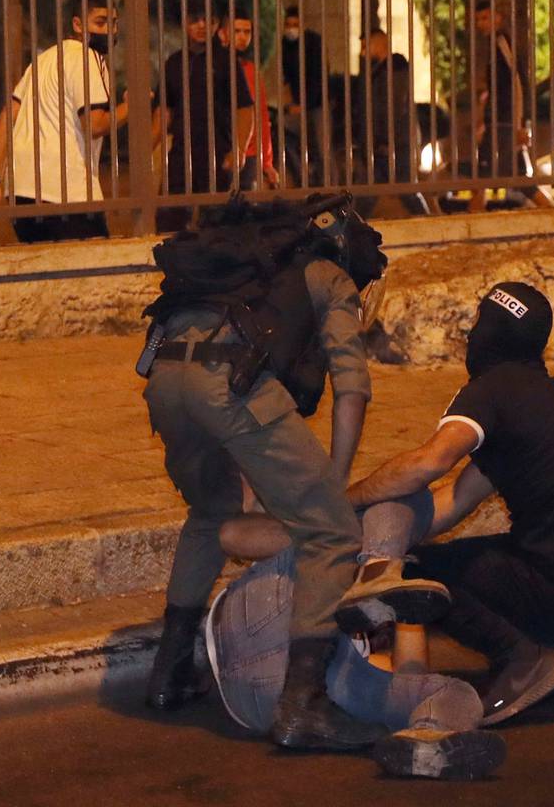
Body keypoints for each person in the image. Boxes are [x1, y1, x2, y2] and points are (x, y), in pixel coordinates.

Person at [139, 195, 402, 751]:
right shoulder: (329, 276)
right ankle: (302, 707)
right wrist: (331, 486)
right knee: (332, 534)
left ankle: (168, 675)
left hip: (166, 385)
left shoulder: (249, 266)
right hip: (233, 389)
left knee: (210, 515)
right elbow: (351, 390)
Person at [348, 282, 554, 723]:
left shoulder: (491, 390)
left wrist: (348, 501)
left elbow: (429, 463)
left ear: (488, 334)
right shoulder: (541, 398)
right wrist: (380, 541)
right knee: (470, 553)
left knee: (420, 576)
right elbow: (453, 500)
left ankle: (521, 659)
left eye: (478, 324)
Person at [203, 502, 505, 780]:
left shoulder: (358, 647)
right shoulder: (335, 558)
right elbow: (233, 535)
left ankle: (427, 737)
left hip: (257, 695)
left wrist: (406, 613)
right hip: (275, 651)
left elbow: (408, 678)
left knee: (455, 691)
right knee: (397, 502)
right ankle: (380, 570)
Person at [0, 0, 130, 243]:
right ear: (77, 24)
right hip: (67, 191)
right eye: (100, 22)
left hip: (23, 193)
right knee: (98, 271)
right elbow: (94, 125)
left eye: (114, 23)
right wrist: (133, 107)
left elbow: (9, 114)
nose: (109, 30)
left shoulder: (44, 60)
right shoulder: (88, 57)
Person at [153, 2, 254, 231]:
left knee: (218, 227)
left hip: (218, 154)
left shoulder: (226, 61)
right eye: (194, 19)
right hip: (181, 153)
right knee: (169, 222)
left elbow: (245, 108)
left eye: (207, 19)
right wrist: (144, 150)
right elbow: (164, 113)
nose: (200, 25)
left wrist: (238, 149)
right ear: (184, 23)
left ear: (216, 24)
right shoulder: (174, 63)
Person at [469, 0, 552, 212]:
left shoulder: (502, 43)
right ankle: (473, 219)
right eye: (478, 19)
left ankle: (552, 209)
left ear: (499, 18)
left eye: (486, 18)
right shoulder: (493, 45)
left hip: (505, 121)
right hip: (497, 120)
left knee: (502, 172)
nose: (481, 23)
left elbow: (517, 83)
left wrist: (519, 124)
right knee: (489, 171)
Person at [352, 29, 427, 217]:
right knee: (371, 190)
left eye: (365, 46)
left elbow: (393, 105)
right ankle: (352, 227)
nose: (362, 53)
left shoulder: (395, 66)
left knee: (404, 187)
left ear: (378, 44)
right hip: (386, 141)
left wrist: (385, 138)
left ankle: (427, 221)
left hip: (396, 141)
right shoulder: (382, 69)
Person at [217, 12, 276, 190]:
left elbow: (262, 117)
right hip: (222, 150)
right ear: (222, 33)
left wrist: (267, 162)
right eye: (237, 31)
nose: (243, 37)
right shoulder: (214, 68)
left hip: (249, 154)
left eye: (247, 32)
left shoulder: (251, 71)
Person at [280, 6, 328, 182]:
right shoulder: (286, 43)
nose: (291, 28)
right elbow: (287, 76)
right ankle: (304, 181)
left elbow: (319, 76)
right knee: (286, 136)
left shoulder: (313, 42)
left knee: (322, 149)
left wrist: (304, 104)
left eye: (295, 24)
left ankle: (330, 188)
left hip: (317, 103)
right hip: (297, 104)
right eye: (288, 24)